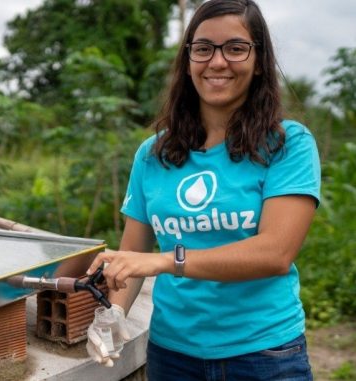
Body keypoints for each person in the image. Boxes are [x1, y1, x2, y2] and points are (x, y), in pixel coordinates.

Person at [84, 0, 320, 380]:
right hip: (171, 355)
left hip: (264, 354)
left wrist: (166, 261)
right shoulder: (153, 154)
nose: (217, 61)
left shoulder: (287, 143)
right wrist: (113, 316)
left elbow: (275, 252)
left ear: (259, 60)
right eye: (204, 48)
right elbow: (133, 255)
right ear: (188, 58)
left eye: (236, 47)